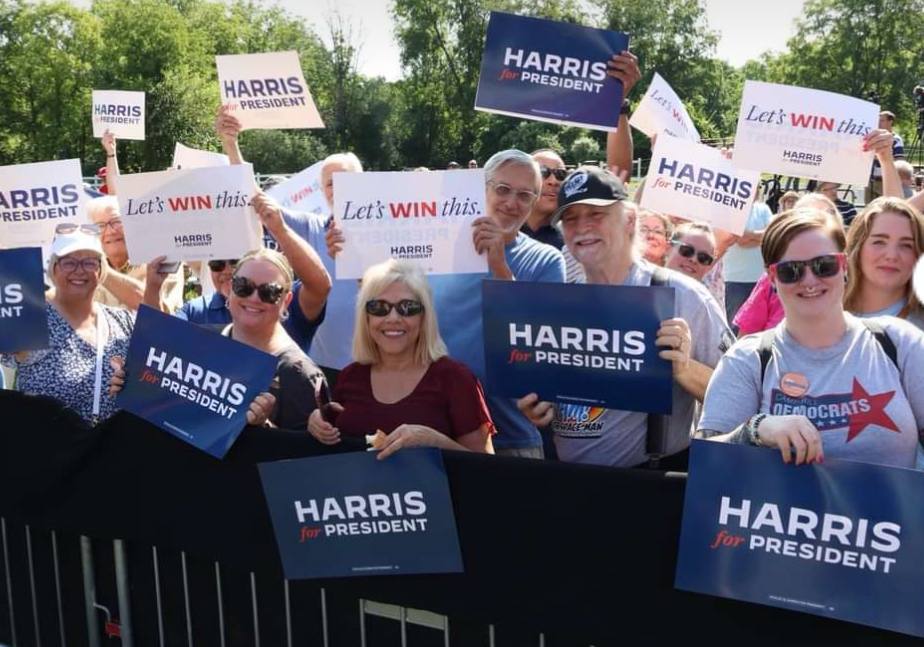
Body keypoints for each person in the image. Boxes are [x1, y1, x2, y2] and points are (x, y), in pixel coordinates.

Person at [328, 149, 566, 458]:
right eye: (502, 189)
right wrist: (351, 257)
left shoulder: (545, 260)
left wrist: (500, 268)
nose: (511, 203)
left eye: (524, 195)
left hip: (510, 436)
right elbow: (391, 307)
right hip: (421, 426)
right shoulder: (435, 245)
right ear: (481, 188)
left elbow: (538, 339)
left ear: (535, 202)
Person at [517, 167, 732, 469]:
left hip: (649, 484)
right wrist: (540, 408)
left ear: (630, 220)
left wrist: (684, 369)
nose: (582, 227)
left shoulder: (681, 295)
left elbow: (737, 397)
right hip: (571, 484)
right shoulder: (560, 305)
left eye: (596, 214)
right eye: (571, 218)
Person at [698, 208, 924, 469]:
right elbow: (707, 463)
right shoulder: (748, 359)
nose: (809, 280)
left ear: (844, 265)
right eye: (790, 271)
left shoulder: (898, 343)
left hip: (891, 510)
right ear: (771, 277)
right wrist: (755, 430)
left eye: (823, 266)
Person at [307, 260, 494, 458]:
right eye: (379, 307)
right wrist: (319, 422)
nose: (393, 318)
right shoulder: (350, 376)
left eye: (407, 307)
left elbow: (485, 469)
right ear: (366, 318)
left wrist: (434, 442)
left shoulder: (455, 379)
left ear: (424, 317)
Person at [119, 249, 305, 428]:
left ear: (286, 300)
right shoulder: (204, 341)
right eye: (243, 287)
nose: (254, 298)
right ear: (231, 289)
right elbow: (160, 347)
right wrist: (131, 380)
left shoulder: (297, 372)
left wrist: (262, 425)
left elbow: (308, 454)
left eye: (269, 292)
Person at [167, 191, 330, 352]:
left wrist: (280, 230)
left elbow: (320, 286)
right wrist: (154, 285)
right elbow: (160, 343)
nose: (226, 270)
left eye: (234, 262)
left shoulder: (280, 298)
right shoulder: (197, 311)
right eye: (216, 264)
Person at [1, 225, 132, 424]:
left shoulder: (122, 321)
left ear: (101, 269)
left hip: (110, 451)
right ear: (53, 268)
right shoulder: (32, 317)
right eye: (68, 263)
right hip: (43, 450)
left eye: (89, 263)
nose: (79, 271)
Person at [87, 195, 185, 313]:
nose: (110, 231)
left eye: (117, 222)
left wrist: (104, 273)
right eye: (100, 226)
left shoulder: (161, 261)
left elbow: (161, 312)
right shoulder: (87, 271)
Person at [844, 197, 924, 329]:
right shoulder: (821, 308)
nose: (892, 256)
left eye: (906, 245)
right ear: (857, 247)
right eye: (879, 242)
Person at [723, 197, 775, 323]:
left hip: (762, 279)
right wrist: (759, 236)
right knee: (735, 324)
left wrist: (747, 235)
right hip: (735, 279)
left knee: (760, 323)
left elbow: (771, 234)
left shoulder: (763, 209)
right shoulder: (731, 210)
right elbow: (740, 240)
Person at [521, 148, 567, 249]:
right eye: (543, 172)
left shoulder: (571, 241)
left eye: (560, 174)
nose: (553, 181)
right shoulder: (501, 231)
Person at [867, 110, 905, 202]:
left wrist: (884, 157)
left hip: (885, 181)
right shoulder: (873, 137)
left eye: (882, 120)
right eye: (878, 121)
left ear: (890, 121)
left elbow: (900, 160)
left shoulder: (895, 139)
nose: (878, 123)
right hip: (871, 180)